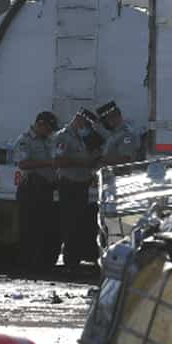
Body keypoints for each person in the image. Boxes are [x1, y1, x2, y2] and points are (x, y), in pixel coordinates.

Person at [52, 109, 102, 267]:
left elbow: (94, 153)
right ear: (78, 119)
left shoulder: (85, 136)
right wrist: (82, 162)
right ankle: (70, 261)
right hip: (69, 184)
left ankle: (77, 257)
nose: (86, 127)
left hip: (83, 184)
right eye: (85, 124)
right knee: (70, 222)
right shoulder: (63, 136)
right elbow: (58, 160)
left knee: (81, 222)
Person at [14, 111, 61, 269]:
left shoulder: (49, 140)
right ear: (40, 124)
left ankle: (42, 263)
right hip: (31, 189)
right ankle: (25, 262)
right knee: (28, 227)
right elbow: (23, 163)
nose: (50, 132)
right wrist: (49, 163)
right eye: (48, 128)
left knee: (45, 227)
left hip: (47, 189)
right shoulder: (24, 140)